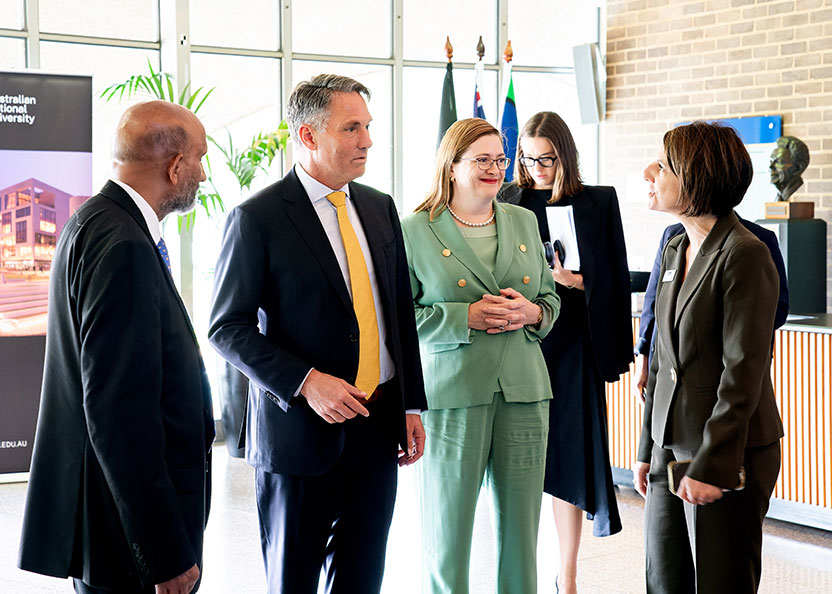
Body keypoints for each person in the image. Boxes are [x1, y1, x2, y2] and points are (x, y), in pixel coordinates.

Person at [208, 74, 427, 594]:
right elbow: (226, 326)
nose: (368, 140)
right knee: (295, 583)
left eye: (368, 127)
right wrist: (306, 380)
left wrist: (411, 406)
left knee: (362, 579)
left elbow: (397, 313)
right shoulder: (256, 218)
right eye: (352, 128)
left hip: (378, 428)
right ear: (307, 136)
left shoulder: (378, 207)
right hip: (299, 437)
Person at [18, 101, 214, 594]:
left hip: (109, 521)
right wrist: (164, 552)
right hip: (129, 540)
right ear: (175, 166)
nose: (204, 175)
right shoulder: (124, 245)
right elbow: (119, 413)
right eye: (199, 159)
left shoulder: (91, 220)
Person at [403, 117, 560, 594]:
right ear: (451, 166)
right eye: (482, 160)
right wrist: (462, 317)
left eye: (500, 159)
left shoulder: (525, 221)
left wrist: (533, 311)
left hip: (524, 391)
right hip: (452, 393)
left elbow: (551, 301)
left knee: (522, 538)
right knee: (446, 538)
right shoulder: (414, 229)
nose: (495, 169)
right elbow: (399, 317)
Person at [634, 121, 784, 594]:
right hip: (667, 446)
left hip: (727, 452)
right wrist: (646, 449)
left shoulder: (745, 253)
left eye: (663, 164)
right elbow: (662, 359)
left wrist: (713, 463)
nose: (649, 172)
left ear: (696, 179)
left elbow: (744, 373)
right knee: (664, 581)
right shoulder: (677, 247)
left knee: (722, 583)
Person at [499, 111, 632, 594]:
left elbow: (616, 275)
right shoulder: (506, 199)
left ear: (566, 155)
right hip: (520, 340)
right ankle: (519, 569)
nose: (537, 168)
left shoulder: (597, 202)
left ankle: (569, 573)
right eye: (529, 158)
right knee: (519, 458)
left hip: (575, 343)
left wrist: (578, 281)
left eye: (548, 159)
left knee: (569, 457)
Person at [632, 216, 789, 400]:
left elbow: (779, 309)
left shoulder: (758, 239)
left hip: (727, 371)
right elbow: (653, 302)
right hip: (668, 370)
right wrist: (642, 360)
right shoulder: (673, 236)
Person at [769, 135, 810, 201]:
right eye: (771, 161)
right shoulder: (779, 196)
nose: (771, 166)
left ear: (798, 168)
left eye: (779, 161)